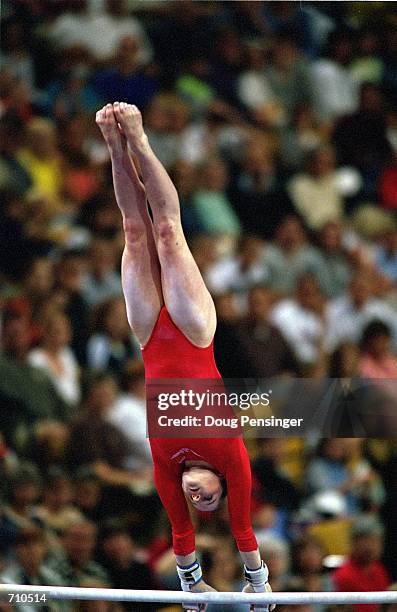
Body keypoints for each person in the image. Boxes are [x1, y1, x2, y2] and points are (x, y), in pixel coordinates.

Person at [95, 101, 274, 612]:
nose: (200, 498)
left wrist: (191, 585)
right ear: (222, 483)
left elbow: (179, 529)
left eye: (199, 502)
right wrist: (258, 584)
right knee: (169, 233)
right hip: (196, 335)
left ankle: (113, 143)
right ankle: (141, 139)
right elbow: (241, 527)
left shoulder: (166, 464)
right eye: (209, 497)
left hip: (150, 336)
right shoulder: (229, 456)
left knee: (134, 230)